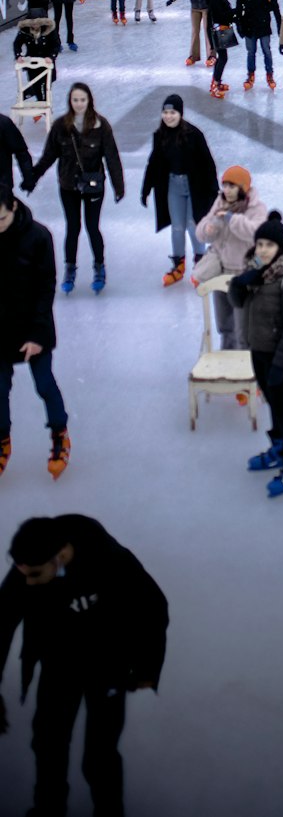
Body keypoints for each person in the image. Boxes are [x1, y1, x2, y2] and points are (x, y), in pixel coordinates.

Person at [0, 514, 168, 817]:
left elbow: (153, 606)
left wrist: (146, 668)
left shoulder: (109, 560)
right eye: (22, 573)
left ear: (60, 556)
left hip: (108, 667)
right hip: (58, 666)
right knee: (48, 744)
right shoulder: (29, 564)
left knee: (100, 756)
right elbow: (0, 623)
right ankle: (48, 810)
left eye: (35, 575)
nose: (27, 582)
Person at [228, 211, 283, 497]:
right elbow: (237, 301)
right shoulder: (256, 273)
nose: (263, 250)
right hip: (260, 350)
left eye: (269, 245)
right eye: (260, 244)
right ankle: (278, 447)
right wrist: (241, 281)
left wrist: (280, 365)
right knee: (273, 404)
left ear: (282, 247)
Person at [27, 83, 125, 295]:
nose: (79, 104)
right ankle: (69, 269)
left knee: (92, 227)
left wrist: (119, 185)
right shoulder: (61, 126)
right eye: (75, 100)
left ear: (89, 100)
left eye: (82, 100)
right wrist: (33, 177)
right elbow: (49, 155)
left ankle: (99, 267)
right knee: (72, 228)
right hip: (68, 185)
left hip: (93, 186)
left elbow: (112, 157)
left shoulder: (101, 125)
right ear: (70, 102)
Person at [0, 184, 69, 480]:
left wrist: (38, 336)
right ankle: (2, 440)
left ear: (13, 207)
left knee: (44, 385)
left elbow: (46, 287)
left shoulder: (39, 237)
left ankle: (59, 435)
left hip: (33, 326)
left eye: (0, 219)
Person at [140, 93, 218, 287]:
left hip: (194, 186)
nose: (168, 116)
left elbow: (208, 163)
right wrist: (146, 188)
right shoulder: (160, 136)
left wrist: (214, 190)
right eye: (165, 112)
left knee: (193, 225)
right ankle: (178, 265)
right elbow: (153, 162)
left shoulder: (194, 135)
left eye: (172, 112)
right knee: (177, 227)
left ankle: (201, 264)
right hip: (173, 186)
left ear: (180, 114)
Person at [193, 164, 268, 349]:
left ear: (243, 188)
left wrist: (231, 219)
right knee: (225, 324)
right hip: (221, 269)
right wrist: (209, 227)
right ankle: (227, 356)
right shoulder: (220, 203)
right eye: (224, 185)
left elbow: (255, 233)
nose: (226, 190)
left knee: (243, 325)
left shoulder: (256, 208)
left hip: (243, 273)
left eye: (232, 186)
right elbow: (201, 231)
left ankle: (247, 363)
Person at [234, 0, 281, 91]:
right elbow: (238, 6)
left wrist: (279, 25)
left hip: (263, 24)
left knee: (266, 50)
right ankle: (250, 75)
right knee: (251, 52)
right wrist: (238, 24)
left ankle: (269, 75)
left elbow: (275, 6)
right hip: (249, 25)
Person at [205, 0, 237, 101]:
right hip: (219, 31)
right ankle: (215, 84)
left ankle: (217, 82)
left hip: (221, 30)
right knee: (222, 58)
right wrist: (236, 13)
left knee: (223, 57)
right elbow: (222, 16)